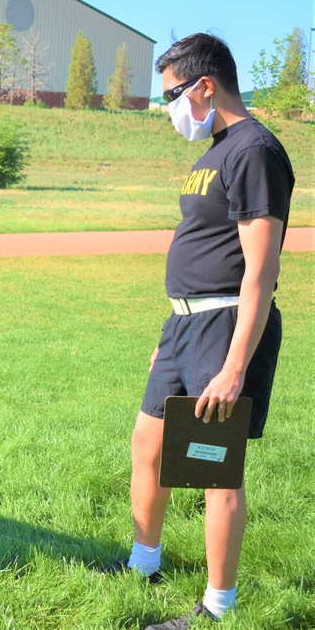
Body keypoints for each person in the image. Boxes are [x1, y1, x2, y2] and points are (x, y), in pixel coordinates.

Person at [120, 33, 294, 629]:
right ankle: (143, 564)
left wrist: (234, 365)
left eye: (171, 93)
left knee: (212, 470)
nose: (168, 106)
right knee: (148, 446)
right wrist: (168, 332)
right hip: (183, 327)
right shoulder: (215, 151)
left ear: (205, 85)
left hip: (225, 330)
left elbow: (261, 273)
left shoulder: (254, 151)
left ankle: (217, 608)